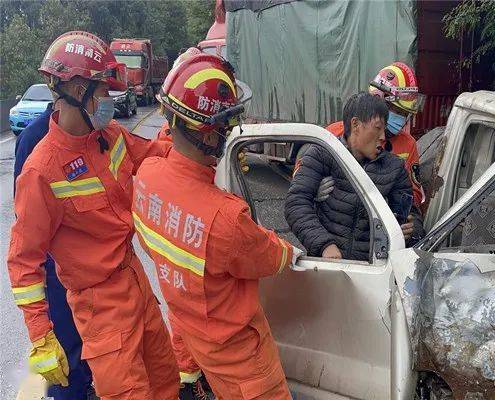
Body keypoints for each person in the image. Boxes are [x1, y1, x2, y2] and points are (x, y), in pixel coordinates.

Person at [7, 31, 179, 399]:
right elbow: (23, 261)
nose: (109, 102)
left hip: (135, 281)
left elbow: (154, 152)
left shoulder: (109, 136)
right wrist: (40, 335)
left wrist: (199, 149)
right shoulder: (42, 169)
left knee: (165, 380)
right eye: (102, 93)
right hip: (100, 305)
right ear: (78, 89)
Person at [132, 53, 299, 400]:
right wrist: (291, 251)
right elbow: (271, 257)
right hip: (247, 367)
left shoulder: (147, 176)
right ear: (208, 136)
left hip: (200, 342)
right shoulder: (226, 218)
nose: (228, 132)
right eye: (224, 125)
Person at [14, 101, 96, 400]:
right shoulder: (35, 138)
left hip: (84, 270)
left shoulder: (89, 133)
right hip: (56, 270)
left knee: (88, 348)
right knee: (66, 355)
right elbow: (27, 222)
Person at [285, 92, 413, 260]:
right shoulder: (323, 154)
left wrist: (410, 229)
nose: (383, 137)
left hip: (376, 272)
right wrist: (325, 245)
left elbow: (412, 214)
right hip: (328, 266)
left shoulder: (395, 167)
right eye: (378, 128)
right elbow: (296, 203)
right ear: (356, 125)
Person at [321, 62, 426, 245]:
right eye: (397, 111)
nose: (400, 119)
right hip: (334, 231)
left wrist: (410, 222)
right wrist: (317, 188)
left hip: (378, 234)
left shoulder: (408, 144)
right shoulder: (334, 134)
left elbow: (413, 195)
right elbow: (301, 178)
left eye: (405, 113)